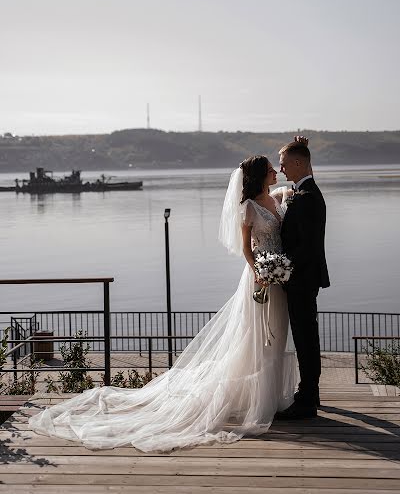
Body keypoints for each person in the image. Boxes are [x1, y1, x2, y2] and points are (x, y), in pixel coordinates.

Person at [29, 155, 298, 452]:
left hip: (279, 279)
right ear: (261, 175)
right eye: (272, 170)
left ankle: (270, 396)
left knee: (277, 336)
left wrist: (294, 182)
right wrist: (260, 270)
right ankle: (253, 399)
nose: (276, 173)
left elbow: (290, 195)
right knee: (256, 338)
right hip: (259, 278)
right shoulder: (247, 208)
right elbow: (247, 249)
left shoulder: (276, 199)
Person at [275, 140, 330, 420]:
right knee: (306, 336)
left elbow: (306, 246)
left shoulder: (308, 196)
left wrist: (281, 267)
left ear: (298, 163)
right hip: (303, 277)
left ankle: (306, 399)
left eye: (283, 162)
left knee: (305, 338)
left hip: (302, 279)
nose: (280, 168)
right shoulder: (304, 191)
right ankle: (311, 393)